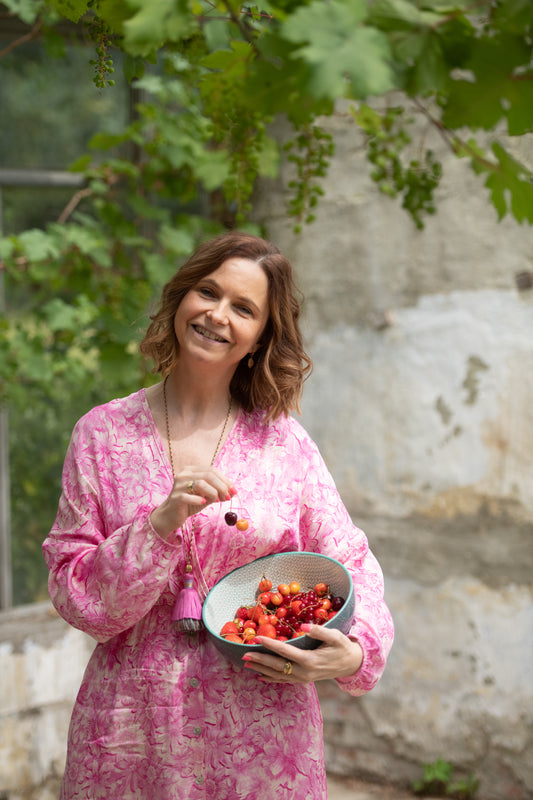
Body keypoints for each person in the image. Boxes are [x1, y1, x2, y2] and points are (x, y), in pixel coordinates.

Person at [43, 231, 394, 800]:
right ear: (182, 298)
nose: (217, 315)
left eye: (244, 308)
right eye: (208, 292)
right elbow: (71, 589)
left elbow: (349, 558)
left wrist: (355, 651)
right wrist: (156, 527)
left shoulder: (283, 444)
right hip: (133, 731)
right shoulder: (102, 435)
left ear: (259, 338)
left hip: (264, 731)